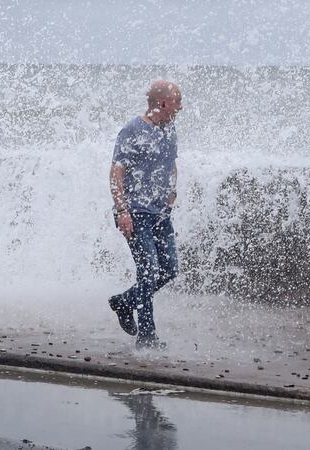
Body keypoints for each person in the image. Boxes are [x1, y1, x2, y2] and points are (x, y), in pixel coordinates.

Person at [108, 80, 183, 350]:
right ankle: (147, 337)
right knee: (148, 273)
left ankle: (123, 302)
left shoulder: (170, 129)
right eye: (178, 101)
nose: (181, 106)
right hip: (136, 213)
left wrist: (172, 192)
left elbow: (171, 163)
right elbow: (116, 172)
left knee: (169, 270)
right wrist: (122, 211)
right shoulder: (132, 130)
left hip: (161, 214)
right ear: (162, 103)